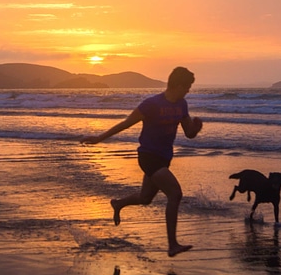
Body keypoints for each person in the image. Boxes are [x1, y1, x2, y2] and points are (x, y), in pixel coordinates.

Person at [81, 66, 202, 257]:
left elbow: (189, 134)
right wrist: (99, 138)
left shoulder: (182, 105)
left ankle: (118, 204)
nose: (188, 90)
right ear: (178, 85)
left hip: (164, 158)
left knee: (145, 198)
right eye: (187, 87)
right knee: (175, 193)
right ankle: (172, 244)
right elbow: (125, 123)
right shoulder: (151, 104)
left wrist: (196, 128)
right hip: (148, 156)